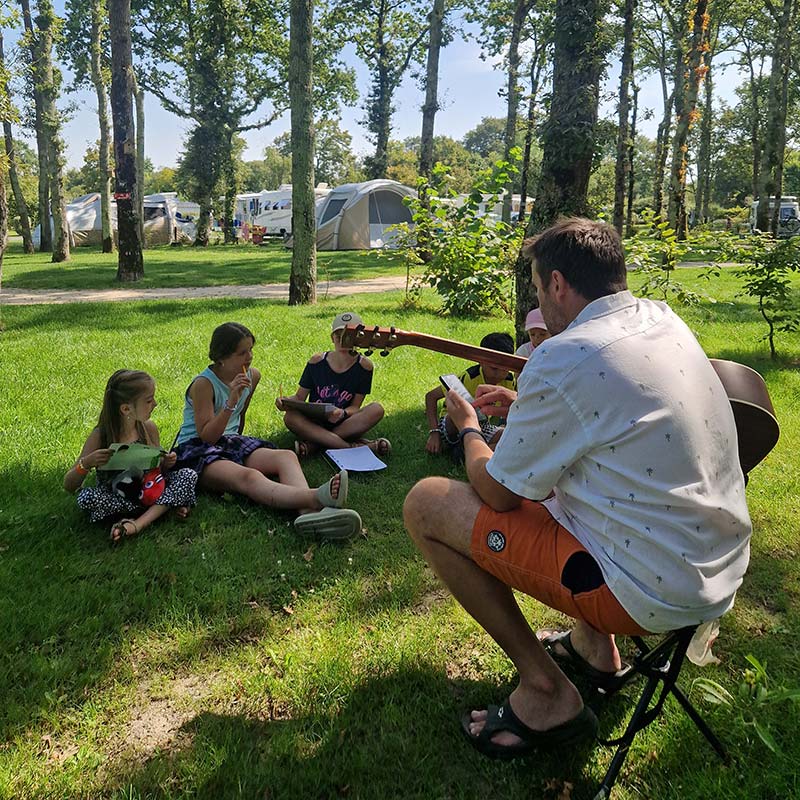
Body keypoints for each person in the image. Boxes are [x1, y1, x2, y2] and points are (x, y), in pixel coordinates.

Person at [403, 218, 751, 759]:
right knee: (580, 493)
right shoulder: (661, 319)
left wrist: (469, 426)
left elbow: (497, 493)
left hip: (651, 591)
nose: (541, 300)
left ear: (559, 284)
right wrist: (528, 410)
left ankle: (546, 691)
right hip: (717, 565)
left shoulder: (566, 355)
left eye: (540, 289)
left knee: (426, 502)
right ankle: (594, 648)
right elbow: (621, 420)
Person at [174, 322, 362, 540]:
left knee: (286, 456)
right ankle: (316, 498)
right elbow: (207, 436)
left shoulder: (252, 376)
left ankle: (308, 516)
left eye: (251, 349)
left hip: (228, 441)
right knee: (249, 477)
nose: (249, 356)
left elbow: (239, 419)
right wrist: (231, 400)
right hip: (197, 450)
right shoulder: (204, 384)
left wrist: (244, 448)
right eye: (242, 352)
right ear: (221, 357)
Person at [64, 369, 198, 543]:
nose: (155, 404)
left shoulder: (148, 428)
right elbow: (69, 486)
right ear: (126, 409)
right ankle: (161, 510)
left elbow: (158, 473)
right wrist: (86, 464)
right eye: (149, 400)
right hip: (117, 498)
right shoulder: (101, 435)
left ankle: (136, 524)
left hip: (149, 493)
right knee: (87, 497)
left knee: (188, 475)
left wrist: (166, 463)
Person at [276, 312, 389, 458]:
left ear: (359, 339)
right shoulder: (317, 362)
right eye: (338, 337)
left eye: (348, 337)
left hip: (343, 421)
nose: (343, 342)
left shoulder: (364, 366)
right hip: (314, 421)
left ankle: (315, 444)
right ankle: (353, 447)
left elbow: (355, 407)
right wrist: (285, 402)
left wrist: (342, 413)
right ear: (332, 338)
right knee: (290, 417)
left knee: (376, 409)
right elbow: (299, 396)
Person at [425, 332, 517, 459]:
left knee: (513, 437)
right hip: (451, 425)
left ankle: (468, 453)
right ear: (481, 361)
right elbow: (431, 396)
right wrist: (434, 433)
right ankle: (470, 449)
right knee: (461, 414)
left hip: (481, 425)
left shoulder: (509, 380)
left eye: (505, 369)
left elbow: (509, 410)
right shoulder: (468, 377)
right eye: (494, 369)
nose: (499, 374)